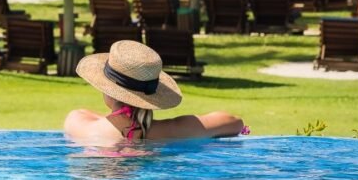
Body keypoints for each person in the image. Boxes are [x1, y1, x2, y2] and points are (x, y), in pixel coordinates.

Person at [65, 41, 245, 148]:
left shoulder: (82, 125)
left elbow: (82, 113)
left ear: (108, 90)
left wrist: (121, 119)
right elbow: (234, 122)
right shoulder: (176, 129)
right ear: (153, 95)